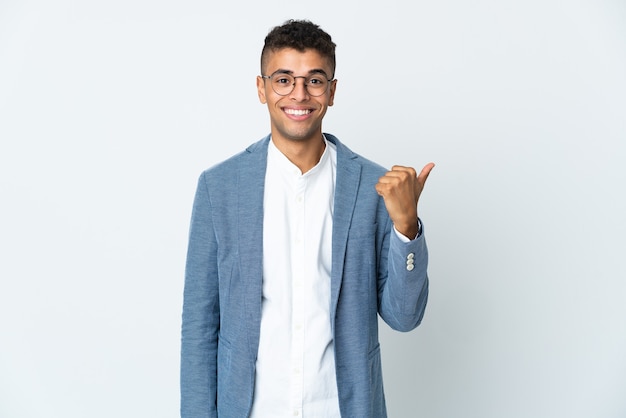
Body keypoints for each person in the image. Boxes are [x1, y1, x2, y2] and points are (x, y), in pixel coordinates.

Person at [181, 19, 434, 418]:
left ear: (332, 92)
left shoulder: (374, 187)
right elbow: (199, 327)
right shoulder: (220, 187)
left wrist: (406, 228)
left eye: (314, 80)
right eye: (283, 80)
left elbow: (404, 317)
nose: (299, 94)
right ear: (261, 88)